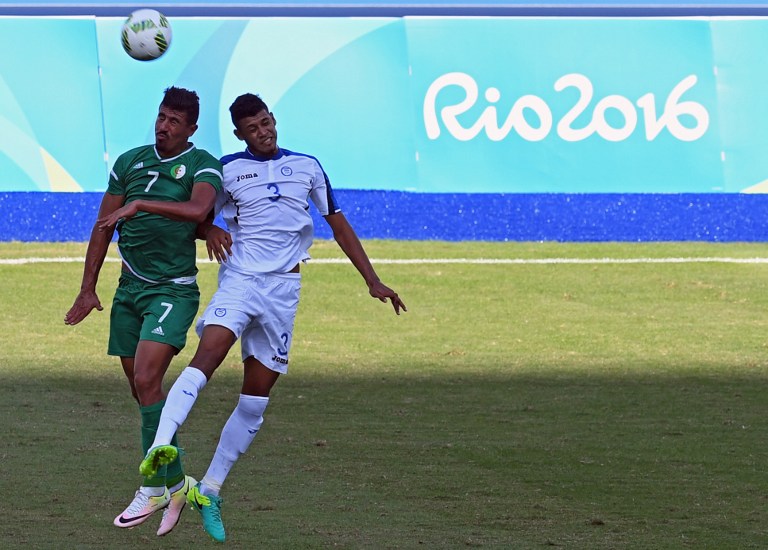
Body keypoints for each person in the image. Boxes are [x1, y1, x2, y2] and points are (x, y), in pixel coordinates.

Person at [138, 92, 407, 542]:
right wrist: (209, 228)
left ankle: (210, 489)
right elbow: (198, 213)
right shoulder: (226, 169)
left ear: (273, 120)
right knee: (207, 357)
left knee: (255, 401)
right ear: (240, 135)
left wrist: (372, 279)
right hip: (241, 281)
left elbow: (337, 223)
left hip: (284, 291)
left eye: (266, 123)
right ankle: (161, 444)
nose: (263, 132)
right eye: (253, 128)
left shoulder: (308, 167)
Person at [64, 87, 223, 536]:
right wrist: (86, 289)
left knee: (148, 378)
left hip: (172, 290)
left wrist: (142, 205)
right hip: (128, 290)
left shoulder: (201, 163)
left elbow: (197, 208)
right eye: (161, 116)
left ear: (191, 128)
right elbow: (103, 227)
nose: (164, 126)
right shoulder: (129, 161)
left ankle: (153, 488)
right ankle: (178, 484)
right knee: (143, 391)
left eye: (175, 121)